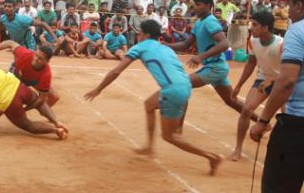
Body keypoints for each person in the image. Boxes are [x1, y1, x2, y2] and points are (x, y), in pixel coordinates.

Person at [85, 20, 223, 175]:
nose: (137, 35)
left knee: (170, 137)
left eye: (140, 32)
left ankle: (211, 156)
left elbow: (116, 71)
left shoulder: (140, 47)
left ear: (146, 34)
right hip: (184, 85)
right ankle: (149, 147)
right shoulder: (165, 48)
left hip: (173, 90)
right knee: (149, 105)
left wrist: (98, 89)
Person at [250, 0, 304, 192]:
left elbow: (287, 81)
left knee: (279, 187)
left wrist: (263, 121)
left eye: (289, 4)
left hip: (300, 123)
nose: (287, 11)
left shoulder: (299, 30)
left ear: (299, 5)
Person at [166, 0, 256, 132]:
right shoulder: (199, 23)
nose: (195, 7)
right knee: (231, 101)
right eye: (194, 4)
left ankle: (177, 128)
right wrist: (164, 45)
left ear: (208, 5)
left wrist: (201, 57)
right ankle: (261, 121)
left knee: (182, 85)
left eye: (198, 4)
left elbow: (224, 44)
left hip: (215, 68)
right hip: (214, 67)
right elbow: (185, 45)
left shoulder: (210, 21)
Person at [229, 11, 283, 161]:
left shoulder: (281, 44)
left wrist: (273, 80)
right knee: (246, 109)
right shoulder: (253, 41)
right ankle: (238, 149)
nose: (251, 27)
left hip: (281, 82)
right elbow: (251, 63)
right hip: (262, 80)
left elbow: (289, 70)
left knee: (286, 118)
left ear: (265, 28)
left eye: (254, 24)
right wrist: (239, 85)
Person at [0, 40, 62, 136]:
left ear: (47, 62)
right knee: (8, 99)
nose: (36, 59)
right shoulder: (25, 54)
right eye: (36, 55)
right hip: (14, 76)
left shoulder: (46, 73)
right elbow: (9, 43)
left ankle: (56, 121)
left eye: (40, 59)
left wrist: (27, 108)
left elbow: (42, 98)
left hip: (30, 79)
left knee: (54, 96)